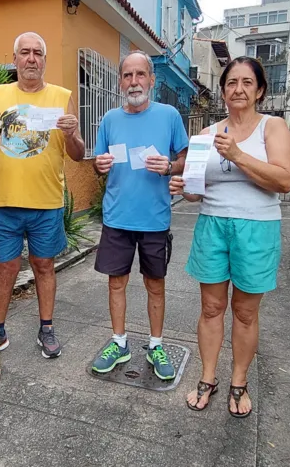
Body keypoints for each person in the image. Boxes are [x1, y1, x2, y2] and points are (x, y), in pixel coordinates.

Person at [169, 56, 290, 418]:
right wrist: (184, 187)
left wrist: (238, 154)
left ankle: (239, 380)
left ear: (259, 91)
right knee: (210, 308)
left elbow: (284, 181)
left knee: (244, 312)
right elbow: (196, 192)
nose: (238, 89)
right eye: (231, 83)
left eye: (246, 83)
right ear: (223, 90)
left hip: (257, 227)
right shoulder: (206, 135)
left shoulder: (273, 128)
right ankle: (208, 378)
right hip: (213, 225)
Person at [0, 32, 85, 362]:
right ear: (15, 59)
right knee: (4, 269)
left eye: (37, 53)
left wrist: (72, 134)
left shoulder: (62, 97)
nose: (31, 58)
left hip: (46, 203)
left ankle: (46, 328)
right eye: (25, 53)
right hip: (3, 203)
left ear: (44, 61)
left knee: (44, 267)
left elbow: (77, 154)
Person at [89, 51, 188, 380]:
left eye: (140, 75)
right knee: (116, 283)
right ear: (120, 82)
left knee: (155, 285)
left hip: (154, 218)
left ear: (152, 80)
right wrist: (98, 165)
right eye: (128, 76)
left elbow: (185, 157)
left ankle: (156, 345)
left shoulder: (170, 116)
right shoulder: (109, 120)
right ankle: (119, 343)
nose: (134, 81)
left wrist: (171, 166)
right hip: (116, 217)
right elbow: (98, 161)